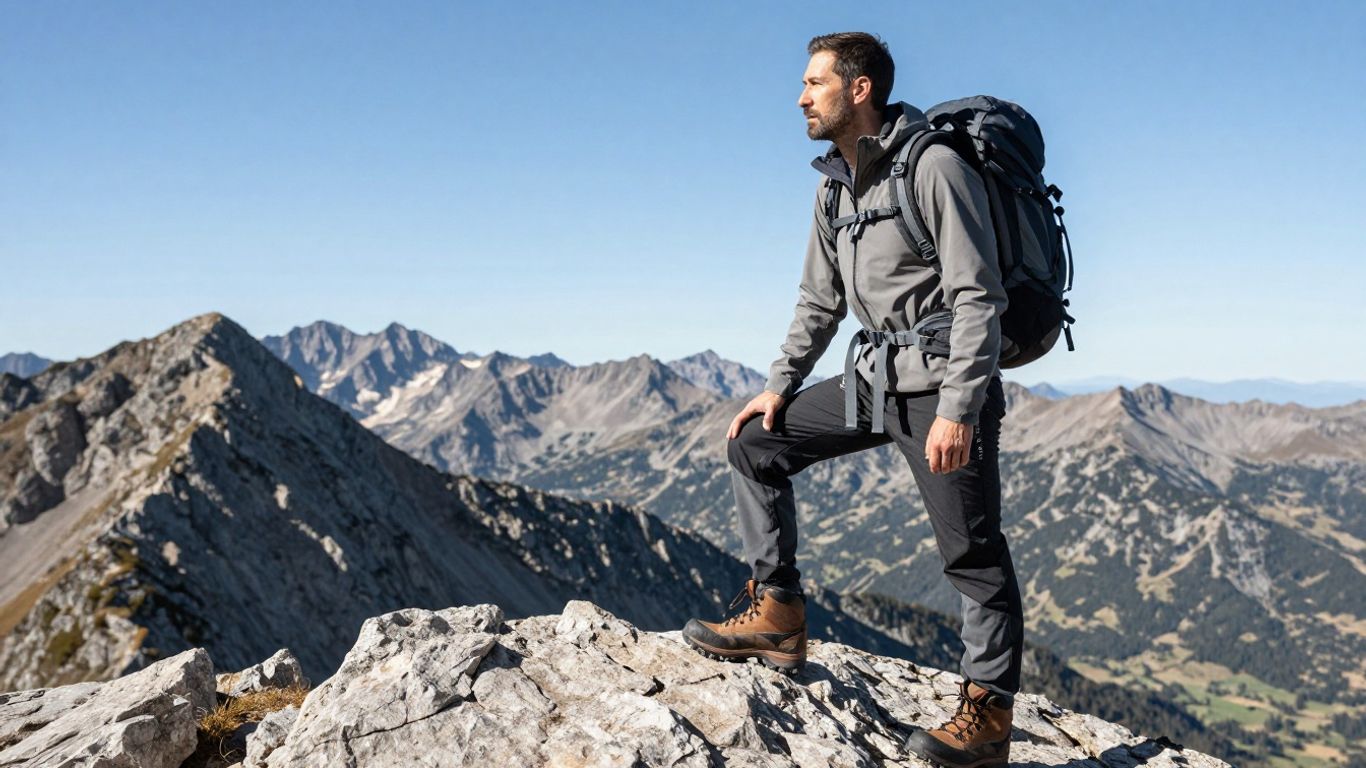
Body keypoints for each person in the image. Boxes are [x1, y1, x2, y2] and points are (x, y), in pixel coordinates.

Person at [680, 32, 1023, 768]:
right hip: (874, 380)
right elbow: (819, 299)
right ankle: (777, 612)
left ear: (858, 89)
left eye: (813, 83)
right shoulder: (833, 185)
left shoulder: (933, 166)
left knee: (972, 551)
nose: (801, 96)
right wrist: (779, 386)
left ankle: (989, 713)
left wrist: (961, 408)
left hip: (938, 386)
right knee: (755, 444)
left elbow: (978, 297)